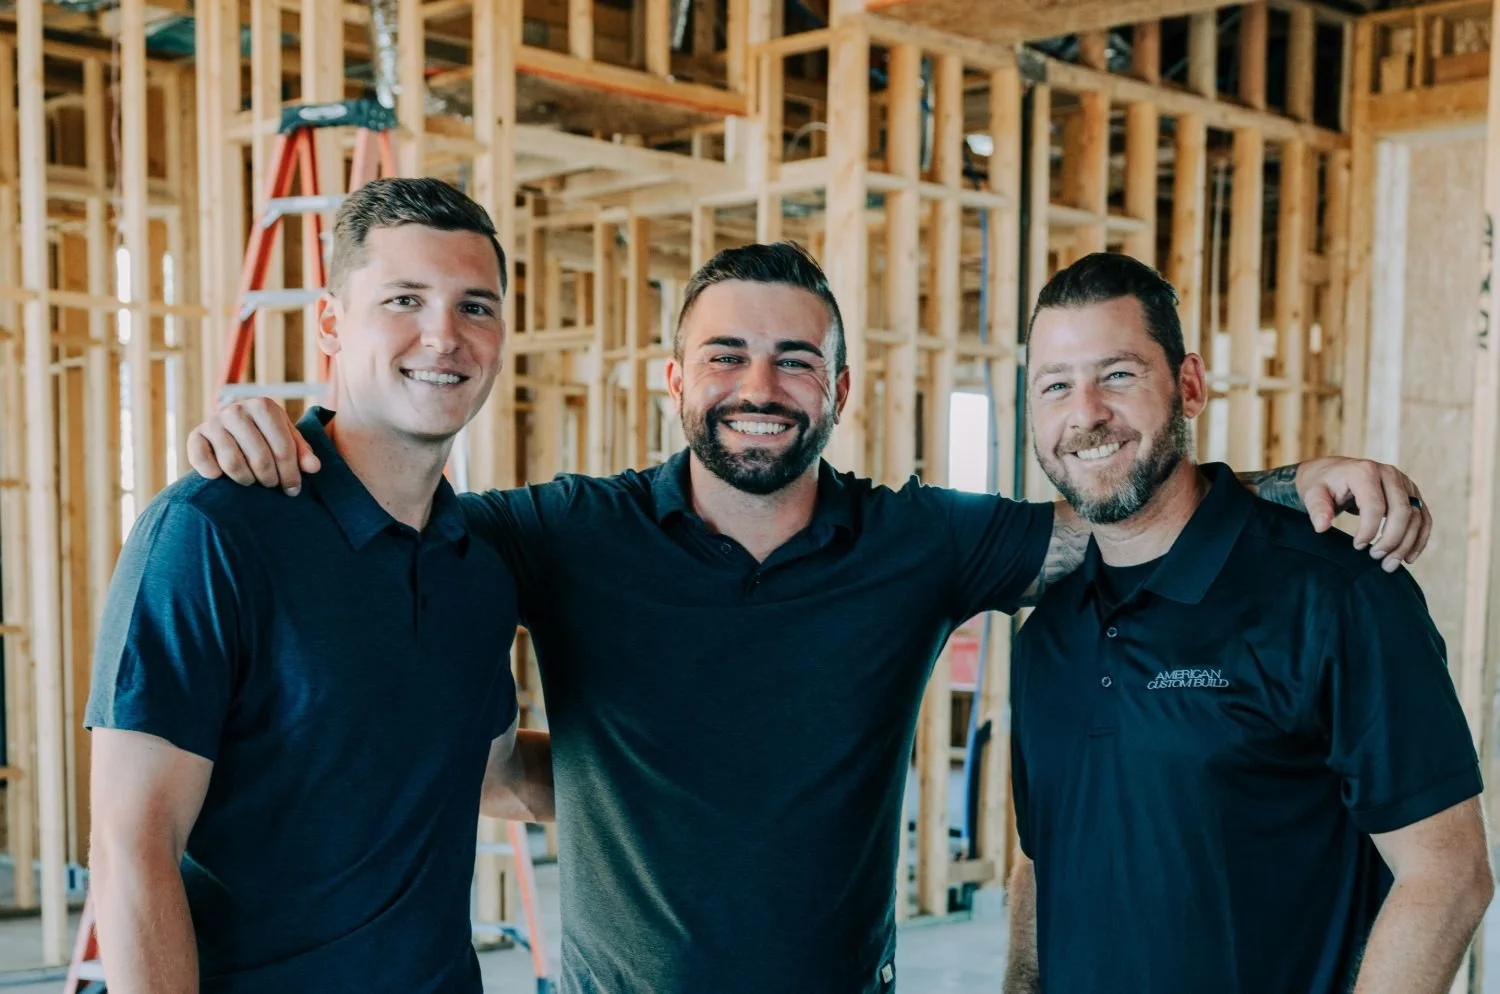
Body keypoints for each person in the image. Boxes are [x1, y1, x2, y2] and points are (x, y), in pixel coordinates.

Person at [186, 241, 1435, 994]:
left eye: (795, 361)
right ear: (675, 380)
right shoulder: (561, 532)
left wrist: (1292, 483)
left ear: (840, 386)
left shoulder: (917, 541)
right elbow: (395, 518)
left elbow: (1115, 504)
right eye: (725, 356)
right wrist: (284, 434)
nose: (758, 388)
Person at [85, 178, 554, 994]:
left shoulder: (477, 566)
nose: (443, 336)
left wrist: (738, 780)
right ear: (333, 325)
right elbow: (135, 844)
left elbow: (488, 774)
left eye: (475, 306)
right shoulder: (214, 531)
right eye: (405, 299)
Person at [1003, 252, 1491, 994]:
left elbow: (1448, 875)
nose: (1087, 412)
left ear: (1189, 385)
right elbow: (1043, 862)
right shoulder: (1047, 634)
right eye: (1056, 386)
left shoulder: (1334, 593)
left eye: (1120, 374)